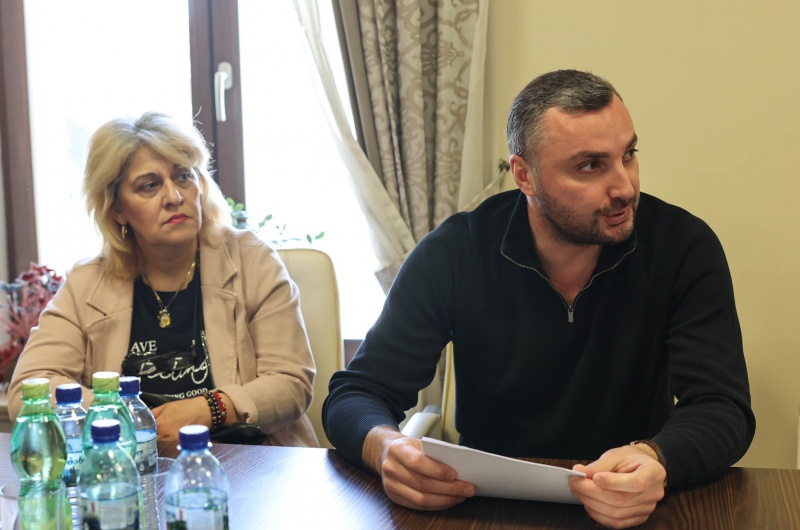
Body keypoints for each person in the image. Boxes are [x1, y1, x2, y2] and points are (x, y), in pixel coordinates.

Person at [322, 70, 755, 528]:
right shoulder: (456, 252)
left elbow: (721, 406)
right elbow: (357, 393)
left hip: (632, 501)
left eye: (628, 155)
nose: (625, 188)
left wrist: (656, 457)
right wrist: (387, 448)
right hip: (482, 505)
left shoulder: (682, 247)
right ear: (525, 175)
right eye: (590, 166)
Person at [9, 112, 318, 448]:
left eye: (183, 176)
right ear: (117, 209)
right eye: (150, 185)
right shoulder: (88, 283)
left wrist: (209, 409)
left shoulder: (252, 260)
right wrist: (122, 416)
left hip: (252, 458)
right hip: (131, 464)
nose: (174, 196)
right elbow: (28, 389)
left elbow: (291, 384)